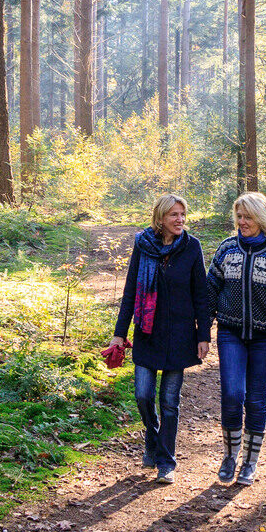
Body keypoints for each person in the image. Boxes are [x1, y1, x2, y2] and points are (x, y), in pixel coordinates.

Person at [110, 194, 211, 484]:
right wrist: (120, 334)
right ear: (161, 218)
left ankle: (166, 461)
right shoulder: (143, 245)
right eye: (174, 215)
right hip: (147, 333)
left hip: (180, 336)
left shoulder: (192, 247)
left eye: (182, 214)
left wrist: (203, 335)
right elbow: (130, 292)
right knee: (143, 395)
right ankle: (152, 440)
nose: (180, 220)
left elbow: (201, 296)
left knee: (169, 400)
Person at [207, 192, 266, 486]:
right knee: (232, 395)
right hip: (231, 333)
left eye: (248, 217)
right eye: (239, 217)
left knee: (256, 400)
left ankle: (249, 462)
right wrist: (201, 330)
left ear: (262, 219)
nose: (242, 222)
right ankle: (230, 456)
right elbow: (210, 290)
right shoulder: (226, 249)